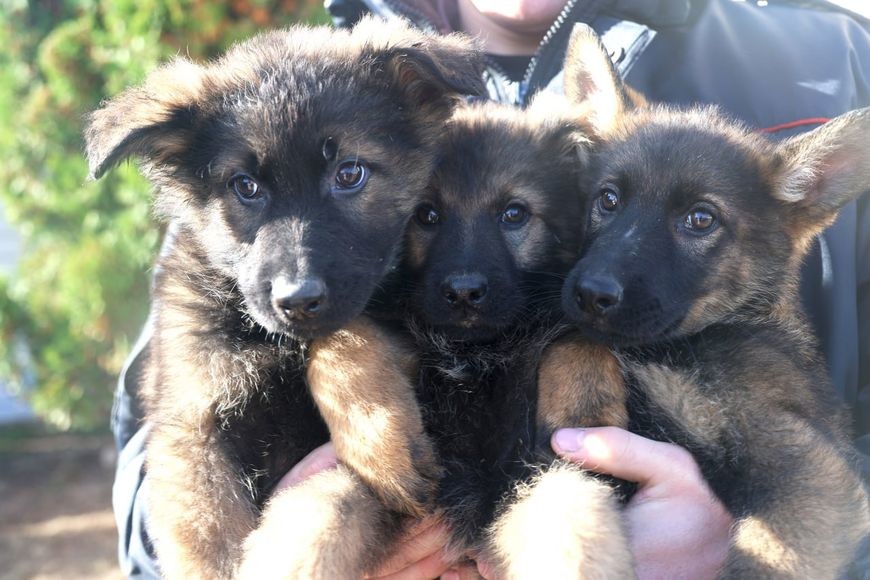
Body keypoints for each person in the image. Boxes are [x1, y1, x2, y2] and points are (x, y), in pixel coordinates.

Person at [112, 0, 870, 577]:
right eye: (428, 216)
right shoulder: (294, 97)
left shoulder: (834, 55)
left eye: (351, 179)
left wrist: (743, 552)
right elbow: (172, 439)